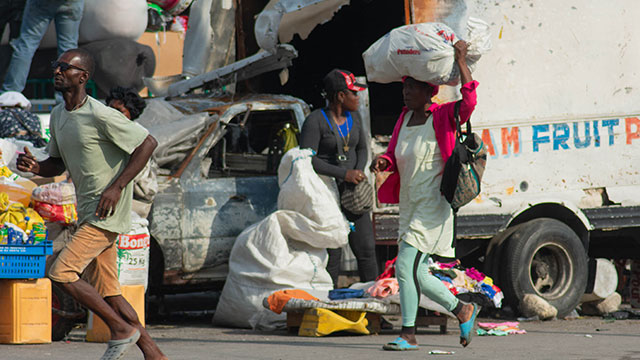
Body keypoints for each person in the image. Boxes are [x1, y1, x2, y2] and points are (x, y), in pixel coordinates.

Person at [16, 49, 166, 360]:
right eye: (57, 66)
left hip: (105, 212)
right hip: (87, 211)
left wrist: (116, 187)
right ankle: (153, 353)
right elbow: (56, 164)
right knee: (111, 293)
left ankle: (120, 329)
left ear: (82, 77)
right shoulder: (59, 116)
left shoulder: (101, 114)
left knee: (61, 272)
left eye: (65, 68)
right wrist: (35, 167)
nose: (57, 71)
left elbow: (147, 142)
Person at [370, 40, 480, 350]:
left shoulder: (442, 116)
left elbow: (469, 100)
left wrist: (460, 60)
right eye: (405, 88)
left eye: (414, 88)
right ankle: (462, 309)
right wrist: (384, 160)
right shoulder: (402, 119)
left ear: (429, 92)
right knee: (415, 270)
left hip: (433, 205)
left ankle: (408, 334)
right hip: (410, 204)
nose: (406, 93)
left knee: (404, 266)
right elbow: (395, 153)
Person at [299, 69, 378, 288]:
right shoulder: (315, 121)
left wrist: (358, 172)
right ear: (341, 96)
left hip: (353, 194)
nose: (358, 97)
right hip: (327, 193)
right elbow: (308, 159)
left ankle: (375, 308)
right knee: (333, 253)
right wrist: (344, 174)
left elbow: (362, 148)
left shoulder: (356, 117)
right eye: (353, 93)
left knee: (366, 250)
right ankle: (330, 305)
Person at [1, 0, 84, 94]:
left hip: (41, 3)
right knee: (68, 48)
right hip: (71, 3)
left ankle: (12, 93)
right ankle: (66, 96)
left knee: (26, 45)